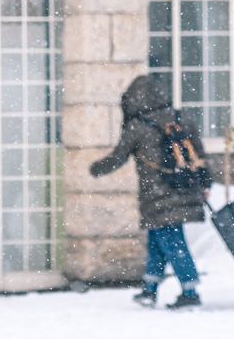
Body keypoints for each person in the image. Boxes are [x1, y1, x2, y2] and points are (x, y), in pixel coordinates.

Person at [89, 75, 210, 309]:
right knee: (157, 241)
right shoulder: (182, 118)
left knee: (172, 241)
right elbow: (201, 154)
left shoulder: (138, 126)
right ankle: (149, 289)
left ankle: (190, 291)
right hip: (185, 187)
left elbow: (118, 157)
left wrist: (96, 168)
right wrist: (206, 183)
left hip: (158, 196)